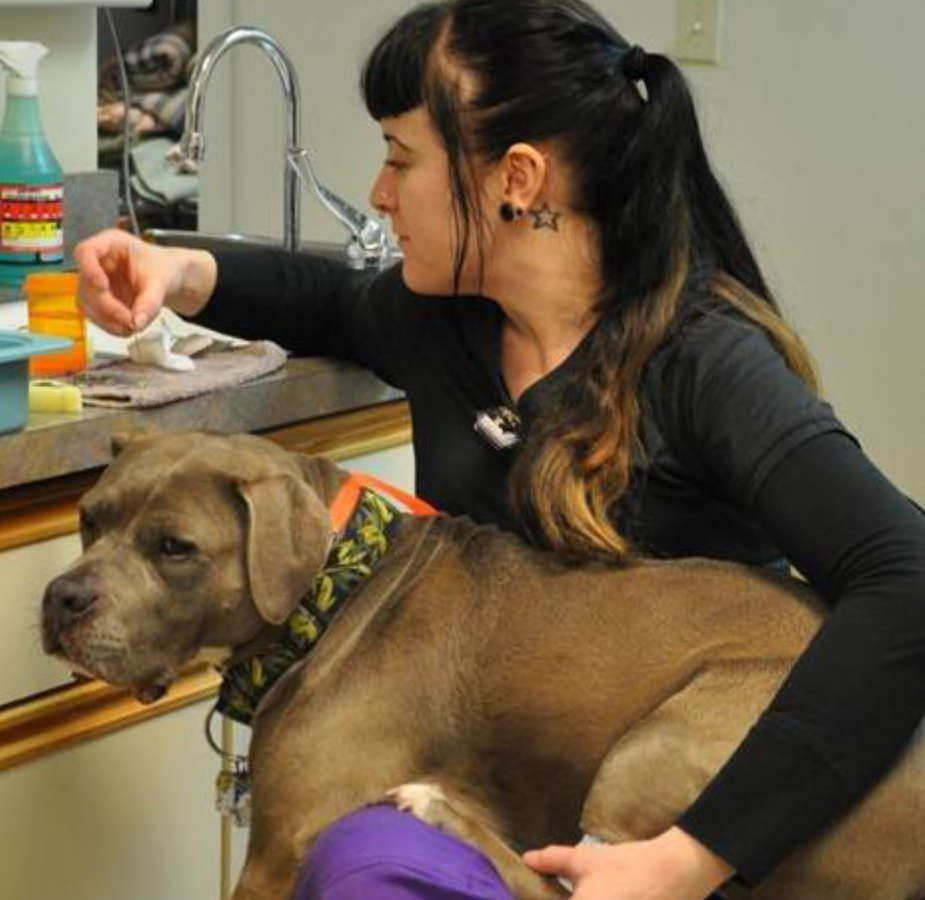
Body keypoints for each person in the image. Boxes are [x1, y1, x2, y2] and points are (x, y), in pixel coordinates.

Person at [74, 0, 925, 898]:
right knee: (359, 865)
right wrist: (181, 272)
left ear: (516, 177)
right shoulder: (445, 323)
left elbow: (907, 578)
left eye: (401, 157)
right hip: (528, 799)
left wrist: (686, 857)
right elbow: (326, 300)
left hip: (716, 813)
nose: (379, 192)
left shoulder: (705, 362)